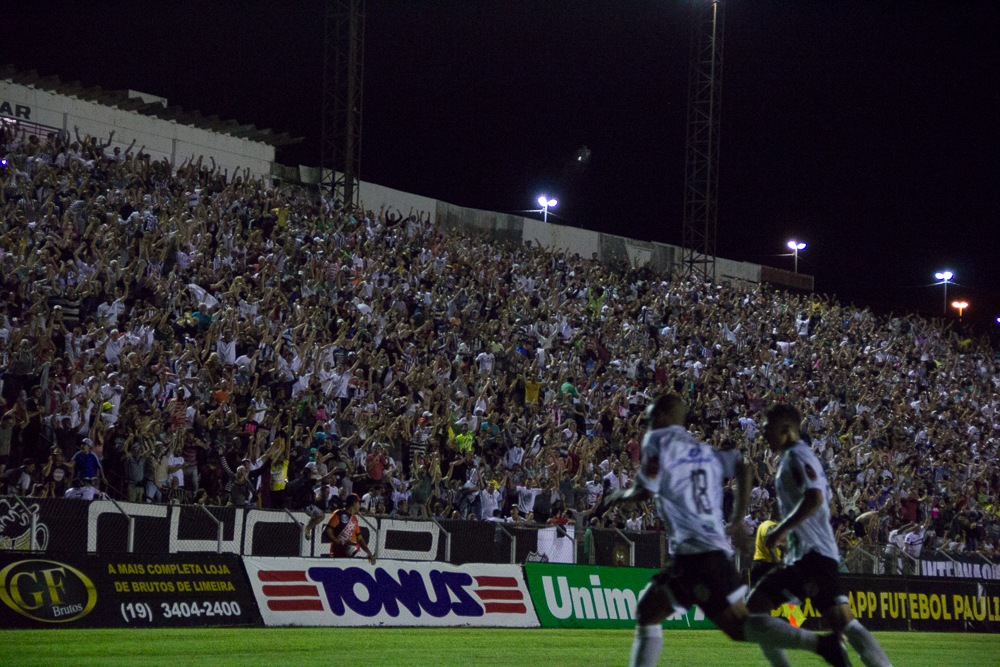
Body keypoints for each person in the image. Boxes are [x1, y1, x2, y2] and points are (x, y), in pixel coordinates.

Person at [606, 394, 849, 667]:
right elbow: (743, 466)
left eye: (650, 416)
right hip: (703, 551)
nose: (648, 423)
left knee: (739, 626)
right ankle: (821, 644)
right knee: (649, 611)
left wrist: (618, 496)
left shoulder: (657, 439)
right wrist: (737, 518)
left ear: (661, 416)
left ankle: (821, 644)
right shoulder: (700, 449)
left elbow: (644, 491)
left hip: (696, 553)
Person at [748, 404, 892, 667]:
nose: (763, 434)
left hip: (811, 556)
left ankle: (817, 650)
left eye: (768, 428)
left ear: (786, 429)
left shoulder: (797, 456)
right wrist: (788, 533)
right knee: (845, 623)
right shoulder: (792, 458)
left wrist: (780, 529)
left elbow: (813, 499)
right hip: (812, 554)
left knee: (755, 608)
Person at [325, 493, 376, 564]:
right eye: (359, 503)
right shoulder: (338, 514)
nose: (360, 506)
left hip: (351, 556)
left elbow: (360, 539)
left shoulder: (354, 518)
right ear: (354, 503)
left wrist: (369, 553)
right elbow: (328, 530)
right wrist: (337, 541)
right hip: (337, 556)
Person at [751, 500, 783, 585]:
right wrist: (777, 565)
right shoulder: (771, 525)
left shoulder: (764, 524)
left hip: (759, 565)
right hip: (766, 566)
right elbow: (771, 545)